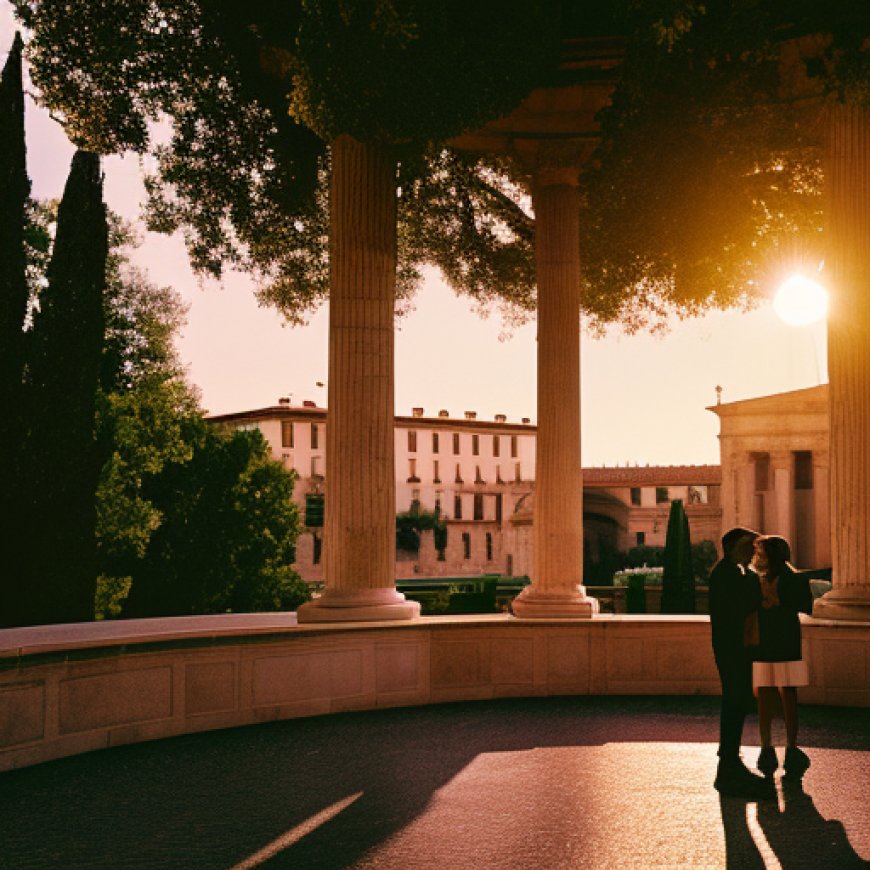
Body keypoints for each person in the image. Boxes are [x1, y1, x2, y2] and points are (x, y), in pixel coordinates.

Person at [708, 526, 773, 797]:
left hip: (731, 646)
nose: (752, 552)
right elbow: (747, 603)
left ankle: (730, 763)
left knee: (736, 701)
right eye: (748, 547)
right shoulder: (730, 575)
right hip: (733, 648)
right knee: (735, 701)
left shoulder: (726, 572)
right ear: (732, 547)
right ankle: (729, 766)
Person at [751, 535, 813, 780]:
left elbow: (805, 605)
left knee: (775, 691)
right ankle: (787, 747)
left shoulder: (780, 578)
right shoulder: (792, 577)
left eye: (761, 553)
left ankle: (770, 747)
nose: (757, 558)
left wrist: (775, 601)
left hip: (775, 639)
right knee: (782, 692)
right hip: (783, 639)